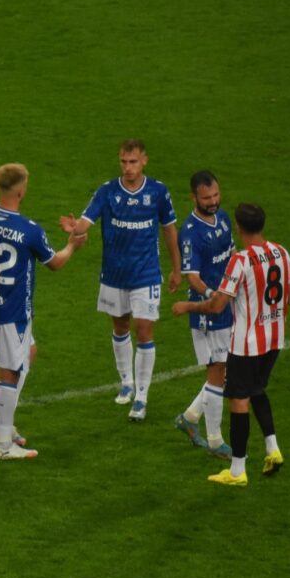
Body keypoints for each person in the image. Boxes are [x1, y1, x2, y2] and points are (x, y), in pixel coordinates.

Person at [0, 163, 86, 460]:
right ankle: (4, 444)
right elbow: (55, 263)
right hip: (14, 312)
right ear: (21, 191)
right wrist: (72, 245)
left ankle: (3, 426)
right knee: (9, 371)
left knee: (28, 353)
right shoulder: (28, 229)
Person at [172, 203, 290, 487]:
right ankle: (273, 449)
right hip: (275, 338)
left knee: (239, 400)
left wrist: (188, 306)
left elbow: (217, 306)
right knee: (257, 389)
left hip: (246, 344)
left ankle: (237, 471)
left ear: (238, 228)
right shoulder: (282, 253)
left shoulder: (241, 260)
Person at [60, 139, 181, 421]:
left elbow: (169, 230)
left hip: (146, 274)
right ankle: (127, 382)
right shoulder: (107, 191)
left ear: (144, 161)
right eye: (124, 162)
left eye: (133, 162)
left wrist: (177, 269)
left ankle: (141, 398)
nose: (128, 167)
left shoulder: (158, 191)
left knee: (144, 330)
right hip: (114, 274)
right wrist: (74, 228)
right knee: (120, 326)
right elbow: (85, 222)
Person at [172, 171, 234, 459]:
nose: (213, 202)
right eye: (206, 198)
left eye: (216, 195)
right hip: (207, 311)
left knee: (224, 371)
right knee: (217, 371)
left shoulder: (223, 218)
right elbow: (193, 277)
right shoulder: (190, 233)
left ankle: (189, 418)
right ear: (193, 198)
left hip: (227, 303)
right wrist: (212, 295)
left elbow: (231, 255)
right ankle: (214, 440)